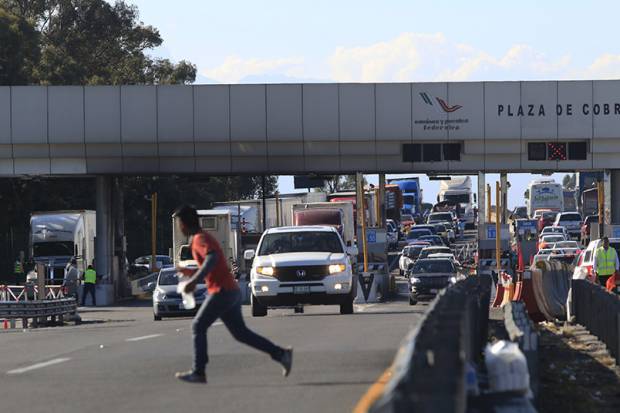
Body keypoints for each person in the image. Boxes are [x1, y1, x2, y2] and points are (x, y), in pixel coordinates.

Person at [173, 205, 292, 384]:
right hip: (230, 290)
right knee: (240, 333)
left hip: (221, 291)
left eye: (179, 222)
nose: (178, 226)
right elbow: (212, 264)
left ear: (184, 223)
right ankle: (281, 354)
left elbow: (212, 258)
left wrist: (194, 281)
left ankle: (199, 371)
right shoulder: (200, 238)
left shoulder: (199, 238)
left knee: (198, 326)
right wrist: (190, 273)